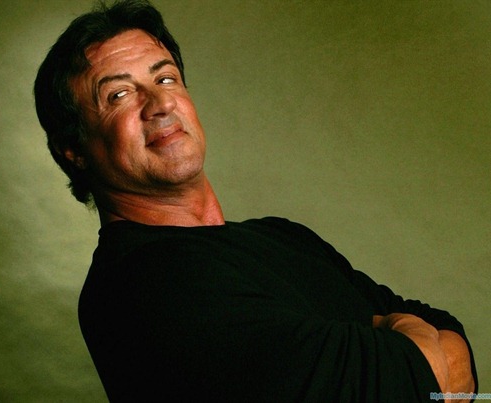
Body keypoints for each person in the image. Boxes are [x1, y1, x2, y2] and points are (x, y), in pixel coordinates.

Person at [34, 1, 477, 401]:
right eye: (119, 94)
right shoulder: (140, 282)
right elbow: (400, 383)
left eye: (166, 77)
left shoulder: (284, 237)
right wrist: (400, 328)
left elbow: (456, 353)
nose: (160, 103)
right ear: (73, 150)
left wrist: (407, 347)